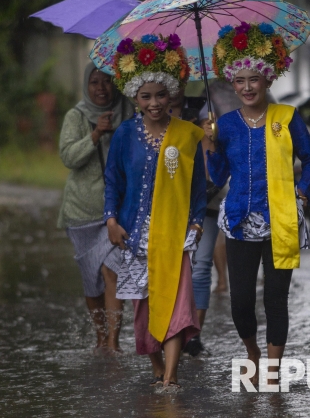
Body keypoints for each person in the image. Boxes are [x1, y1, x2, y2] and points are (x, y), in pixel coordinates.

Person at [205, 22, 310, 384]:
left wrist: (302, 190)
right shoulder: (225, 125)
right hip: (240, 221)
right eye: (239, 81)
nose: (246, 87)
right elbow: (218, 176)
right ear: (232, 84)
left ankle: (271, 371)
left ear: (268, 79)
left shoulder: (287, 118)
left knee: (275, 298)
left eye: (253, 79)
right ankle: (252, 352)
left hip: (281, 219)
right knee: (240, 301)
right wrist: (211, 147)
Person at [103, 33, 206, 393]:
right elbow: (113, 180)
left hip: (175, 233)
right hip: (134, 235)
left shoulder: (188, 135)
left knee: (176, 303)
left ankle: (172, 375)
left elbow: (198, 186)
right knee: (144, 308)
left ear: (172, 92)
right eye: (146, 96)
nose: (154, 103)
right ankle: (159, 367)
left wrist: (196, 223)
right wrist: (111, 219)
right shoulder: (124, 135)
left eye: (161, 95)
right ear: (135, 97)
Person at [58, 62, 134, 353]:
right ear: (86, 86)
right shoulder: (76, 116)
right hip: (83, 212)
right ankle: (100, 336)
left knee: (111, 269)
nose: (101, 88)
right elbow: (68, 157)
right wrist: (95, 135)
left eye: (107, 81)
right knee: (91, 279)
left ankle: (113, 341)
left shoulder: (128, 110)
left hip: (117, 210)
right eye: (94, 82)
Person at [183, 83, 240, 357]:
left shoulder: (206, 107)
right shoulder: (158, 113)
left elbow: (216, 171)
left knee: (201, 266)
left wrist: (211, 139)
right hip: (171, 207)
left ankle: (193, 336)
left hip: (207, 202)